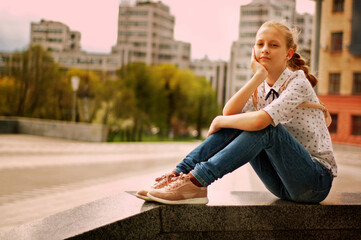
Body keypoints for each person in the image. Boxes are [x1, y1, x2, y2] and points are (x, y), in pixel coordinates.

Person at [136, 20, 337, 205]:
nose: (265, 50)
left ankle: (197, 182)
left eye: (273, 45)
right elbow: (230, 113)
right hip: (282, 183)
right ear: (254, 50)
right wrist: (258, 75)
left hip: (315, 181)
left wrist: (220, 121)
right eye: (260, 44)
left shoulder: (298, 81)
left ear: (288, 54)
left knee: (265, 127)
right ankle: (178, 175)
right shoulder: (260, 86)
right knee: (242, 122)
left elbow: (258, 122)